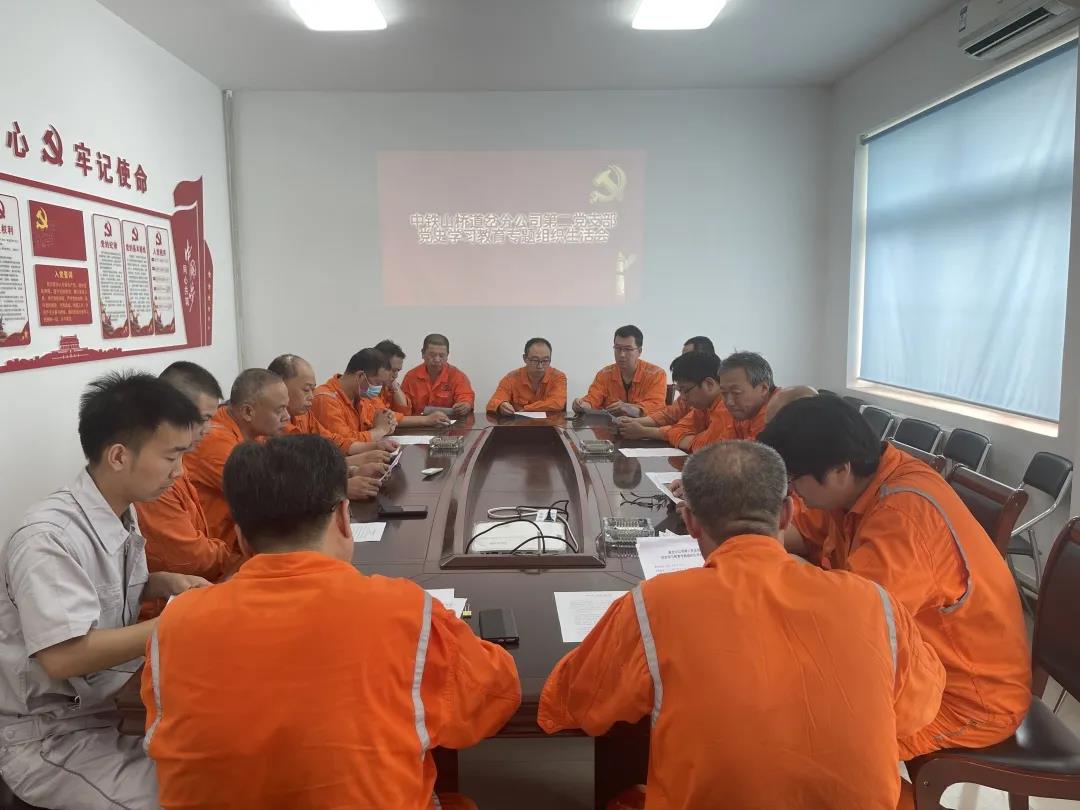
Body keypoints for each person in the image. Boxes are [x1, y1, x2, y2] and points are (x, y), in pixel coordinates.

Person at [539, 441, 944, 810]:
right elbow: (917, 710)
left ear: (690, 521)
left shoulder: (654, 604)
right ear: (786, 513)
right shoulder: (875, 602)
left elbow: (579, 702)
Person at [143, 434, 521, 809]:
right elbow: (492, 697)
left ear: (241, 538)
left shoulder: (175, 625)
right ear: (343, 517)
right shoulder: (403, 611)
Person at [758, 396, 1031, 759]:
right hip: (915, 666)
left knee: (804, 738)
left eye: (793, 480)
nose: (793, 493)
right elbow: (801, 533)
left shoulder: (903, 517)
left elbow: (852, 626)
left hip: (965, 699)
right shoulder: (856, 484)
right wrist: (742, 542)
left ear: (839, 470)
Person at [0, 372, 211, 809]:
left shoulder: (118, 512)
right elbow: (64, 656)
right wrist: (178, 622)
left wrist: (159, 583)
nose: (179, 472)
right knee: (185, 799)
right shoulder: (48, 538)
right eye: (171, 457)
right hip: (49, 737)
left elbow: (97, 593)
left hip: (104, 708)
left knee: (222, 769)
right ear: (118, 456)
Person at [136, 362, 243, 587]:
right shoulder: (152, 476)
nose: (208, 429)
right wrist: (241, 558)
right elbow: (190, 557)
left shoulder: (178, 458)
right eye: (203, 419)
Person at [185, 368, 290, 549]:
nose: (287, 417)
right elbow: (271, 494)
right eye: (280, 410)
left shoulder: (254, 431)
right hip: (221, 552)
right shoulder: (215, 441)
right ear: (248, 412)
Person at [269, 353, 396, 501]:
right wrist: (340, 487)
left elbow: (330, 445)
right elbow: (288, 482)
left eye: (312, 389)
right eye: (306, 390)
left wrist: (354, 468)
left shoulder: (302, 414)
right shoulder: (270, 429)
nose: (312, 397)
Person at [615, 336, 714, 434]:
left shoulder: (713, 401)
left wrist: (644, 431)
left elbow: (684, 431)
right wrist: (632, 422)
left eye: (687, 357)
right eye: (618, 348)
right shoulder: (691, 394)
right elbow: (669, 416)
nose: (682, 362)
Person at [572, 325, 667, 418]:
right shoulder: (604, 374)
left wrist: (632, 409)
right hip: (609, 426)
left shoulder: (656, 374)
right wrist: (583, 405)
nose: (622, 354)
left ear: (639, 351)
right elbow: (593, 398)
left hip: (643, 427)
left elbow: (656, 406)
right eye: (617, 348)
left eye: (628, 349)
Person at [312, 348, 405, 442]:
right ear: (360, 376)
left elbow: (377, 421)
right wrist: (380, 430)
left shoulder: (362, 396)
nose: (379, 388)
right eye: (377, 383)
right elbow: (345, 443)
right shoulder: (325, 399)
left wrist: (388, 423)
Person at [374, 339, 453, 428]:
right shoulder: (368, 389)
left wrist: (395, 387)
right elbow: (385, 418)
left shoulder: (388, 386)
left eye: (398, 371)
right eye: (393, 370)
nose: (395, 375)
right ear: (377, 366)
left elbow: (405, 413)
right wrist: (426, 420)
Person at [486, 337, 568, 415]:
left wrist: (526, 409)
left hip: (550, 423)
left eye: (545, 360)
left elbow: (558, 402)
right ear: (525, 358)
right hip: (519, 424)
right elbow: (493, 402)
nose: (540, 366)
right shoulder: (511, 378)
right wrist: (501, 405)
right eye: (535, 360)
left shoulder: (558, 377)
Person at [400, 334, 475, 417]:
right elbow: (403, 407)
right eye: (432, 355)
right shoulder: (411, 377)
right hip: (418, 422)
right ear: (423, 354)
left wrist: (465, 405)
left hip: (448, 423)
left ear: (447, 356)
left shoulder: (457, 376)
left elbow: (466, 397)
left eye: (441, 355)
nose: (437, 359)